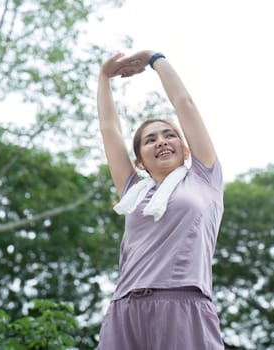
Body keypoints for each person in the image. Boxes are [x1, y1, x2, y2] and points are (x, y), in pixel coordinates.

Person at [96, 50, 225, 350]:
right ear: (139, 160)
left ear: (186, 148)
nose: (162, 141)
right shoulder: (133, 192)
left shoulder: (204, 179)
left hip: (184, 304)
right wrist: (104, 76)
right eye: (150, 140)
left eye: (169, 135)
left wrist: (156, 59)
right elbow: (109, 130)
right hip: (125, 308)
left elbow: (185, 105)